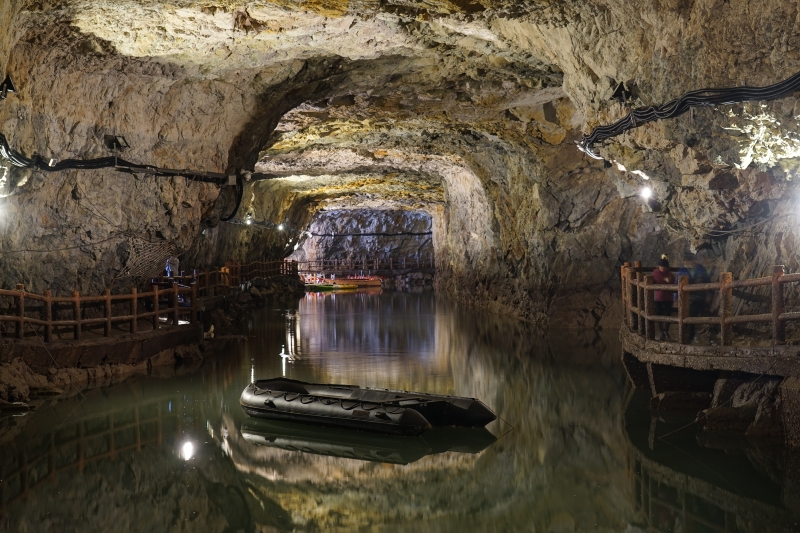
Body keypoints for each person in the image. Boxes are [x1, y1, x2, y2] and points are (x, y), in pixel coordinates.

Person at [675, 252, 711, 341]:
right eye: (686, 261)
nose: (687, 263)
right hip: (688, 298)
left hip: (700, 296)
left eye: (689, 260)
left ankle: (697, 334)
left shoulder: (700, 269)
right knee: (690, 315)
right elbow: (677, 285)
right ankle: (690, 335)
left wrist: (710, 293)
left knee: (701, 314)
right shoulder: (681, 271)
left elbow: (707, 281)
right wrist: (675, 299)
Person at [652, 256, 674, 340]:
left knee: (668, 314)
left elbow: (673, 282)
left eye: (664, 267)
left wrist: (669, 280)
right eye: (661, 267)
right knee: (659, 314)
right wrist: (665, 280)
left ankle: (666, 330)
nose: (662, 268)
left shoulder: (670, 274)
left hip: (668, 297)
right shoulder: (655, 274)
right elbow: (657, 280)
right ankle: (661, 331)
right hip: (658, 297)